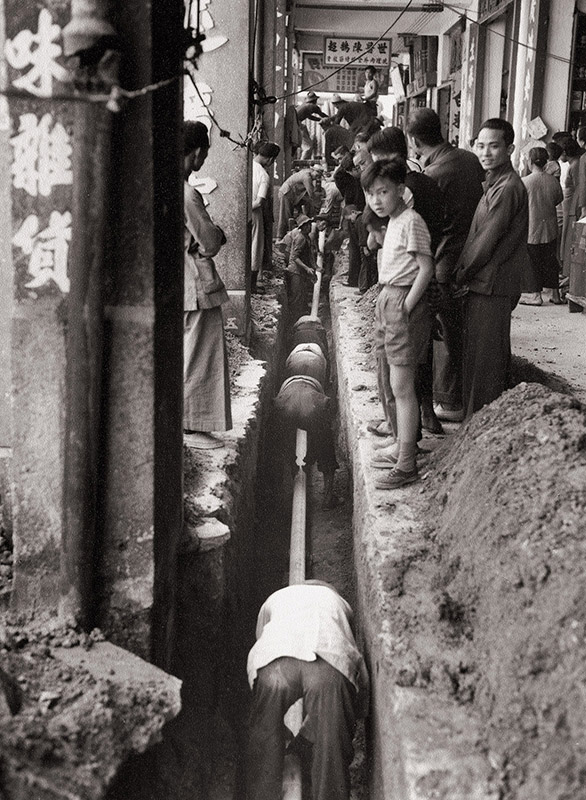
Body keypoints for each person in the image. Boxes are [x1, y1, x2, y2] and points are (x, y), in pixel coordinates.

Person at [245, 581, 369, 800]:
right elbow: (351, 660)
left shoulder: (275, 597)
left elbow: (262, 643)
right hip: (327, 661)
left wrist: (275, 730)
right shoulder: (340, 604)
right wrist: (343, 721)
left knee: (264, 737)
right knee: (331, 747)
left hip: (275, 665)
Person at [406, 107, 485, 423]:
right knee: (464, 331)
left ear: (414, 141)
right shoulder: (469, 159)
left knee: (442, 334)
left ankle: (448, 401)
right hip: (474, 255)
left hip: (444, 261)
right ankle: (464, 396)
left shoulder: (432, 176)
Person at [366, 126, 446, 437]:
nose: (376, 198)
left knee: (401, 377)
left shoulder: (406, 199)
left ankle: (405, 442)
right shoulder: (422, 185)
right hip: (410, 286)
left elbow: (421, 263)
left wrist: (405, 304)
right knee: (412, 363)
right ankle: (413, 426)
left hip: (407, 288)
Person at [361, 158, 435, 489]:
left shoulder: (411, 221)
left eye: (383, 191)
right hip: (387, 298)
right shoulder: (393, 221)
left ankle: (406, 463)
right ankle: (400, 444)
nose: (376, 200)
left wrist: (405, 305)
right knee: (390, 380)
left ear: (400, 190)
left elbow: (426, 268)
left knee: (402, 386)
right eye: (370, 193)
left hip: (402, 301)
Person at [454, 118, 529, 419]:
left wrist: (459, 274)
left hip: (492, 286)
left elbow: (485, 242)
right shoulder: (494, 183)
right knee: (478, 359)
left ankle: (481, 424)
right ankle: (474, 425)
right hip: (484, 285)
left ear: (509, 148)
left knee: (487, 364)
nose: (485, 152)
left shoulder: (508, 188)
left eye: (494, 146)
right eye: (480, 145)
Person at [183, 121, 232, 449]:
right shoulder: (187, 193)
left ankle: (189, 421)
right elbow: (210, 241)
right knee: (200, 352)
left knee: (189, 351)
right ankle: (193, 423)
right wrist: (217, 233)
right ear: (197, 152)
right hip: (196, 280)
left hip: (181, 281)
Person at [518, 147, 564, 306]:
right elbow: (559, 199)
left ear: (530, 162)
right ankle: (555, 295)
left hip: (532, 228)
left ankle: (536, 295)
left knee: (532, 262)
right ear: (546, 162)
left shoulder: (525, 182)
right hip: (551, 228)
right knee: (551, 260)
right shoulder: (553, 181)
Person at [251, 142, 280, 293]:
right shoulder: (263, 175)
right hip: (254, 213)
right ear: (270, 159)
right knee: (256, 246)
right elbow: (259, 201)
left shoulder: (247, 165)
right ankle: (252, 285)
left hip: (243, 211)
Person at [283, 214, 318, 322]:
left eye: (309, 224)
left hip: (300, 272)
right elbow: (294, 257)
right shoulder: (300, 238)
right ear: (303, 227)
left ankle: (302, 318)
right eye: (307, 225)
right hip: (295, 272)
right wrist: (307, 268)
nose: (309, 227)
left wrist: (315, 267)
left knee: (302, 296)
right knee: (296, 298)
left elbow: (310, 255)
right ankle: (294, 322)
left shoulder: (306, 237)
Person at [277, 166, 322, 238]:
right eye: (316, 175)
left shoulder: (307, 172)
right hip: (286, 193)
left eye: (318, 177)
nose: (316, 178)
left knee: (298, 212)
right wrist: (318, 205)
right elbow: (311, 193)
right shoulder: (307, 177)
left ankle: (296, 233)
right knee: (286, 216)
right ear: (313, 170)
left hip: (292, 195)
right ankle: (281, 237)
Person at [296, 91, 328, 160]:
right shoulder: (313, 106)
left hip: (296, 123)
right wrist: (329, 118)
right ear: (315, 100)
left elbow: (310, 117)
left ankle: (303, 161)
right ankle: (303, 163)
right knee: (308, 147)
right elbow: (322, 114)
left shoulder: (304, 105)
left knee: (306, 143)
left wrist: (319, 119)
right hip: (296, 124)